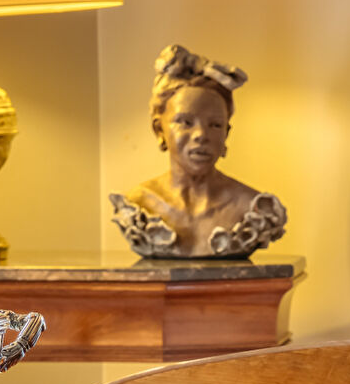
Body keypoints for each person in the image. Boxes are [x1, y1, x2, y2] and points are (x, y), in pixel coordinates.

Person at [110, 44, 287, 258]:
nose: (201, 135)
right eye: (185, 122)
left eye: (215, 125)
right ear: (159, 130)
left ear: (226, 133)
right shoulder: (140, 204)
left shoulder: (252, 207)